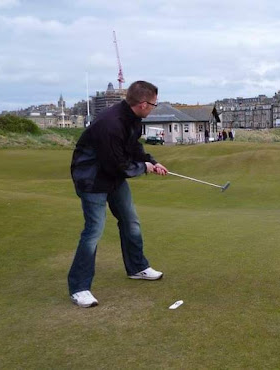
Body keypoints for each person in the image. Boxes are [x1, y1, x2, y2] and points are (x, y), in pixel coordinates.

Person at [68, 80, 169, 308]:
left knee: (130, 221)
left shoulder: (133, 120)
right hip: (92, 178)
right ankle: (79, 287)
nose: (154, 107)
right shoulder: (111, 124)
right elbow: (117, 164)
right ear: (143, 104)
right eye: (153, 104)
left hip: (111, 177)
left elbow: (133, 148)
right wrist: (144, 168)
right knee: (93, 231)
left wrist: (150, 161)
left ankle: (137, 267)